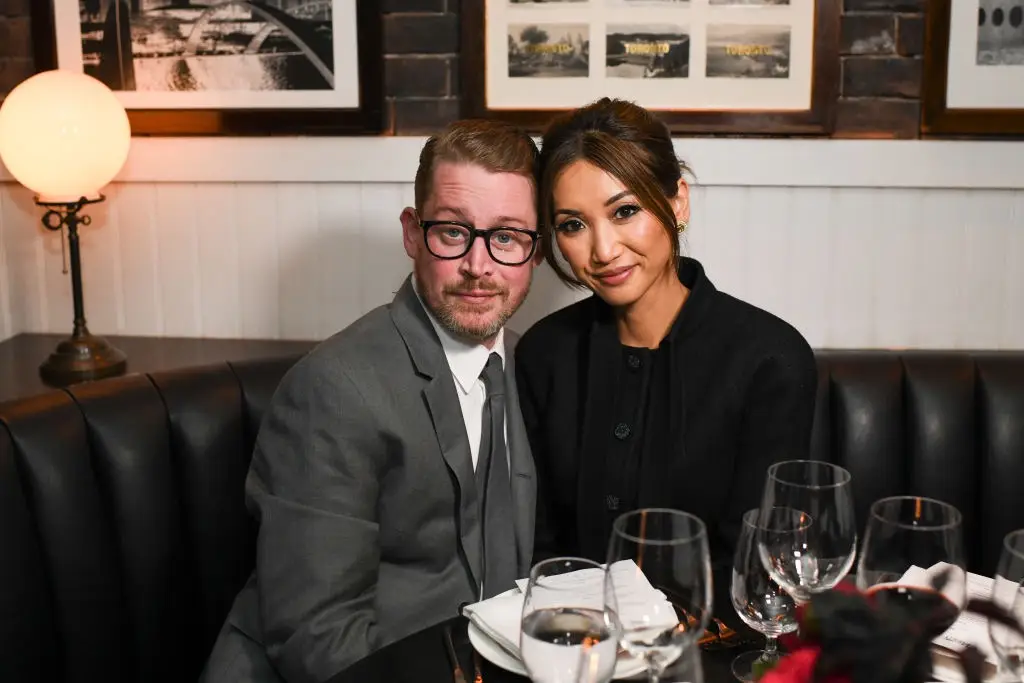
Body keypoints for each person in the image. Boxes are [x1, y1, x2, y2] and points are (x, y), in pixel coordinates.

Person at [201, 119, 543, 683]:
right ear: (412, 233)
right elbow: (318, 638)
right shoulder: (333, 390)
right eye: (452, 232)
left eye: (506, 237)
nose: (478, 266)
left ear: (535, 251)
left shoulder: (531, 366)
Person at [515, 97, 818, 576]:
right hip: (566, 619)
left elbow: (758, 562)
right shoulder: (543, 354)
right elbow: (536, 546)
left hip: (712, 622)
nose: (603, 250)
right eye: (573, 225)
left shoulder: (770, 360)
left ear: (678, 201)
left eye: (624, 211)